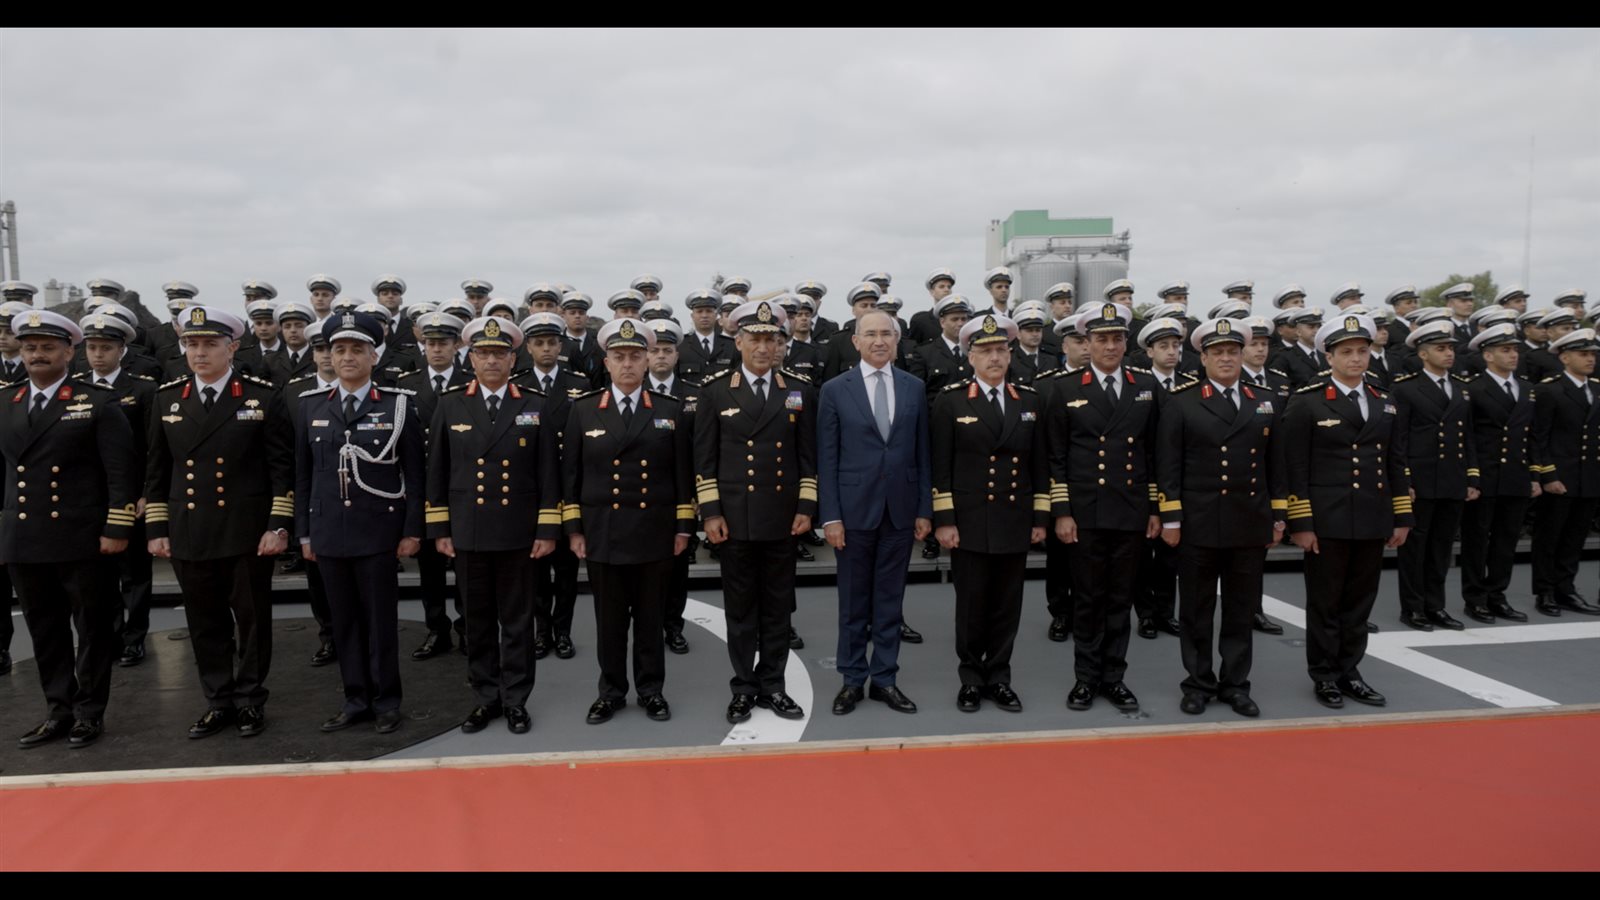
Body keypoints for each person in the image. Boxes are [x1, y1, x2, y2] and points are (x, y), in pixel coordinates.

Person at [144, 307, 293, 739]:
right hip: (189, 527)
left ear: (232, 348)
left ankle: (249, 699)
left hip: (246, 530)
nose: (200, 352)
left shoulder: (261, 397)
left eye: (210, 344)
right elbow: (156, 471)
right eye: (192, 344)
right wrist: (157, 529)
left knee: (252, 621)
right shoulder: (167, 399)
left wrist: (277, 525)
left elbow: (281, 468)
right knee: (204, 622)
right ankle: (218, 700)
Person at [2, 310, 139, 749]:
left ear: (68, 352)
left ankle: (88, 712)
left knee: (93, 629)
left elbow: (121, 473)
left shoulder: (96, 402)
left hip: (82, 537)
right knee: (45, 631)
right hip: (25, 536)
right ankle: (57, 710)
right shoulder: (6, 401)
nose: (37, 355)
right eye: (30, 347)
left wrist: (117, 526)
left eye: (47, 347)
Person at [426, 316, 559, 735]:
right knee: (477, 622)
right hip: (469, 530)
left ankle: (516, 700)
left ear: (513, 358)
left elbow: (548, 473)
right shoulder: (450, 404)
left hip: (519, 532)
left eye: (499, 353)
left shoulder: (535, 404)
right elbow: (437, 470)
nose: (491, 361)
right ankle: (486, 698)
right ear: (470, 358)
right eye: (483, 353)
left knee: (518, 623)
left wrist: (547, 529)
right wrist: (440, 528)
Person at [294, 312, 426, 735]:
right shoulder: (311, 405)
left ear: (374, 356)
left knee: (380, 623)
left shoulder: (397, 405)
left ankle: (386, 701)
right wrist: (304, 533)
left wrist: (411, 530)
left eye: (357, 349)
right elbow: (303, 475)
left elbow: (415, 474)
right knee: (343, 623)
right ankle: (355, 700)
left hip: (378, 532)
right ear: (329, 356)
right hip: (329, 531)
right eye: (339, 349)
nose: (347, 357)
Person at [562, 319, 695, 724]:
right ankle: (611, 692)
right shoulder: (583, 410)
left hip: (654, 531)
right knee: (610, 622)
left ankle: (651, 690)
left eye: (636, 356)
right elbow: (571, 475)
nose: (627, 364)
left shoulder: (669, 410)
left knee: (651, 620)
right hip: (603, 531)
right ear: (606, 362)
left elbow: (683, 474)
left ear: (647, 360)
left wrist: (683, 527)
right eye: (619, 357)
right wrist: (574, 529)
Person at [1282, 312, 1413, 709]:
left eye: (1362, 351)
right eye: (1346, 352)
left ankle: (1350, 671)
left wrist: (1401, 516)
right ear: (1329, 357)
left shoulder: (1384, 400)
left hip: (1372, 516)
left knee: (1359, 602)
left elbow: (1395, 461)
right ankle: (1324, 675)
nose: (1356, 358)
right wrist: (1301, 522)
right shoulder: (1307, 401)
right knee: (1326, 602)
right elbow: (1295, 468)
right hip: (1328, 519)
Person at [695, 299, 817, 724]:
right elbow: (704, 459)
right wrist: (711, 513)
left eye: (771, 339)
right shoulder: (715, 391)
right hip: (735, 518)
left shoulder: (799, 390)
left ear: (781, 343)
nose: (763, 348)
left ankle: (774, 685)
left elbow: (808, 456)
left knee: (778, 608)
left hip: (782, 517)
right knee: (741, 609)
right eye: (755, 339)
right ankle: (744, 687)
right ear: (739, 342)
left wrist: (806, 506)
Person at [1157, 318, 1285, 718]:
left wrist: (1278, 516)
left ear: (1242, 355)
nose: (1226, 358)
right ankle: (1198, 683)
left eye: (1232, 351)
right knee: (1196, 610)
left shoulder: (1265, 399)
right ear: (1203, 358)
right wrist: (1171, 518)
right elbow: (1168, 464)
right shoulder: (1182, 401)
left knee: (1240, 609)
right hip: (1199, 521)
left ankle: (1235, 684)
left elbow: (1276, 464)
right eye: (1217, 352)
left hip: (1249, 519)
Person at [1048, 302, 1163, 713]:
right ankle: (1085, 678)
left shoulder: (1145, 386)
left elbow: (1155, 453)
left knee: (1120, 598)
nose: (1110, 346)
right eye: (1101, 339)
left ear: (1126, 343)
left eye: (1117, 338)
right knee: (1087, 598)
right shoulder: (1065, 388)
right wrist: (1062, 512)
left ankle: (1114, 678)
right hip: (1085, 512)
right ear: (1087, 343)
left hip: (1130, 509)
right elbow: (1056, 456)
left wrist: (1155, 509)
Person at [818, 309, 932, 716]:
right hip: (853, 514)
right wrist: (831, 516)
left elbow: (922, 453)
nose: (879, 341)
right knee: (853, 602)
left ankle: (885, 678)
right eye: (871, 334)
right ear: (856, 341)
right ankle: (852, 679)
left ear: (897, 340)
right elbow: (827, 457)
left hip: (900, 511)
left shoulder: (914, 387)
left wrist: (924, 509)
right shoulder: (835, 390)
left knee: (890, 601)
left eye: (887, 333)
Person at [931, 313, 1046, 713]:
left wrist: (1040, 518)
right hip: (969, 519)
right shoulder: (951, 401)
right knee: (971, 604)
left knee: (1006, 604)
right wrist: (945, 521)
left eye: (1000, 350)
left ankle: (998, 676)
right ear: (970, 357)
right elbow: (940, 466)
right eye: (985, 351)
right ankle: (970, 677)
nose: (994, 357)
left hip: (1014, 517)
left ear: (1010, 354)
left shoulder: (1029, 400)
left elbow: (1039, 464)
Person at [73, 310, 160, 668]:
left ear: (122, 350)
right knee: (98, 573)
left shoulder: (143, 389)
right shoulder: (75, 387)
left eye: (106, 347)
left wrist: (147, 492)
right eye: (92, 347)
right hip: (90, 496)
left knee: (134, 572)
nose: (98, 354)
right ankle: (109, 636)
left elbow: (153, 447)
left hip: (131, 494)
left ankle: (134, 638)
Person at [514, 313, 595, 659]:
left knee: (566, 571)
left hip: (568, 486)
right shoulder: (517, 383)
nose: (546, 348)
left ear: (561, 346)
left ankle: (562, 632)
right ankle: (541, 631)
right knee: (534, 570)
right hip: (530, 488)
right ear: (529, 348)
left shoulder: (580, 383)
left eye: (551, 342)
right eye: (539, 343)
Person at [1391, 320, 1479, 632]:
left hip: (1452, 478)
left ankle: (1435, 605)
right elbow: (1398, 440)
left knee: (1441, 548)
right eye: (1441, 349)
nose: (1449, 354)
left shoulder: (1461, 388)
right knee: (1415, 549)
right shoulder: (1406, 388)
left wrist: (1472, 477)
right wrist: (1404, 481)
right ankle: (1413, 607)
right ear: (1424, 354)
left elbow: (1468, 436)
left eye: (1451, 348)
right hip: (1422, 478)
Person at [396, 312, 473, 659]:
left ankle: (468, 628)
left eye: (443, 343)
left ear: (456, 346)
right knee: (429, 568)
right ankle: (436, 629)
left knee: (466, 566)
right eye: (431, 343)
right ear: (423, 345)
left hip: (463, 485)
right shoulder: (405, 384)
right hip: (424, 486)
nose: (437, 349)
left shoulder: (471, 381)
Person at [1459, 323, 1537, 623]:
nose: (1513, 355)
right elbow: (1467, 436)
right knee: (1477, 541)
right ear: (1488, 355)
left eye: (1515, 350)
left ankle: (1497, 595)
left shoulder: (1527, 389)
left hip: (1516, 474)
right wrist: (1472, 476)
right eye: (1505, 350)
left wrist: (1535, 475)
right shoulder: (1473, 389)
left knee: (1506, 541)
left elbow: (1532, 436)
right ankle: (1475, 597)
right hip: (1486, 474)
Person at [1529, 328, 1600, 617]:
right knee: (1549, 537)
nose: (1590, 359)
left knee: (1575, 537)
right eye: (1583, 354)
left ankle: (1566, 589)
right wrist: (1547, 475)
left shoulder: (1597, 389)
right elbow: (1539, 437)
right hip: (1561, 475)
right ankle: (1545, 591)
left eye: (1592, 354)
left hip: (1590, 476)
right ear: (1565, 357)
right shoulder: (1549, 390)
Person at [1133, 317, 1193, 640]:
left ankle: (1166, 612)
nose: (1171, 352)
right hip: (1145, 479)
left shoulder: (1189, 384)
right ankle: (1145, 613)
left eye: (1175, 346)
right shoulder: (1139, 385)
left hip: (1178, 481)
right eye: (1163, 346)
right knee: (1143, 554)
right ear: (1149, 351)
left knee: (1171, 553)